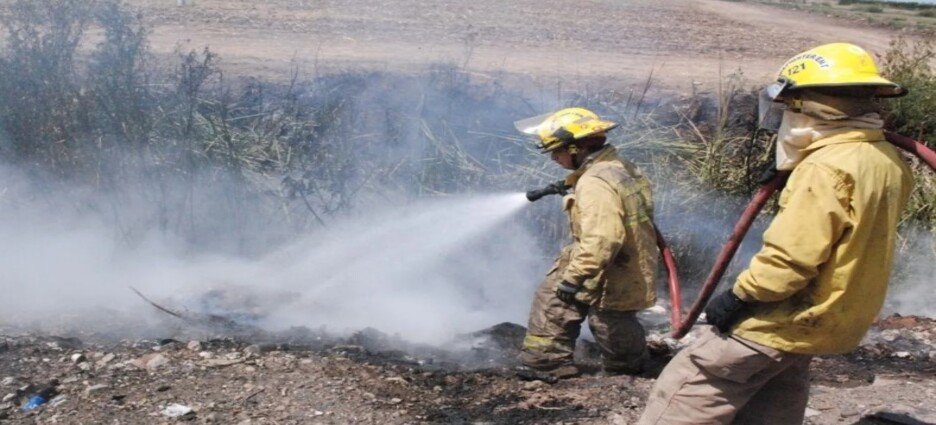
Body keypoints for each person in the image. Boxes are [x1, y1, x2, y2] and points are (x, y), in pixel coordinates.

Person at [639, 42, 914, 424]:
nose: (783, 114)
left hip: (779, 318)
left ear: (807, 105)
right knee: (775, 392)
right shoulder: (883, 158)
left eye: (787, 105)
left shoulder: (824, 168)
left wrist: (739, 298)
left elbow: (789, 262)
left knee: (693, 383)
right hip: (825, 319)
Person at [514, 107, 658, 378]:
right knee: (614, 317)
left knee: (556, 300)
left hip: (604, 259)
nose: (554, 158)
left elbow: (603, 237)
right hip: (629, 259)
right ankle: (628, 368)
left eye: (557, 151)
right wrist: (572, 184)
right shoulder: (619, 167)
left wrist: (574, 277)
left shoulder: (594, 183)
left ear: (576, 148)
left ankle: (546, 364)